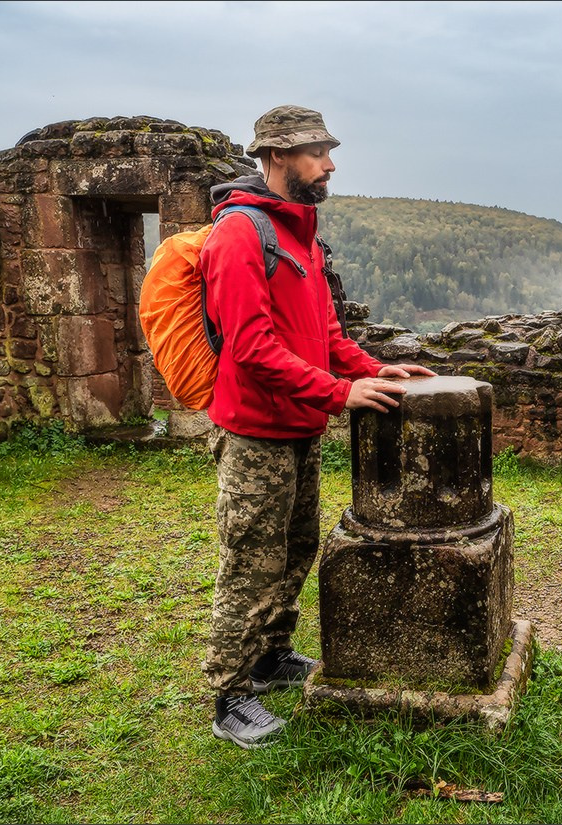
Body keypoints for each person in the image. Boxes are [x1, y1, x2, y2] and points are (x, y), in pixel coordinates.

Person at [199, 104, 436, 749]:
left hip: (299, 427)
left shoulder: (301, 235)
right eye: (316, 153)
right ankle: (229, 694)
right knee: (251, 561)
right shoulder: (239, 237)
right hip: (255, 435)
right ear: (277, 158)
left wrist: (375, 369)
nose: (330, 164)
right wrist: (340, 392)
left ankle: (272, 657)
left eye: (328, 151)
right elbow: (250, 347)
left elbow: (325, 334)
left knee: (296, 548)